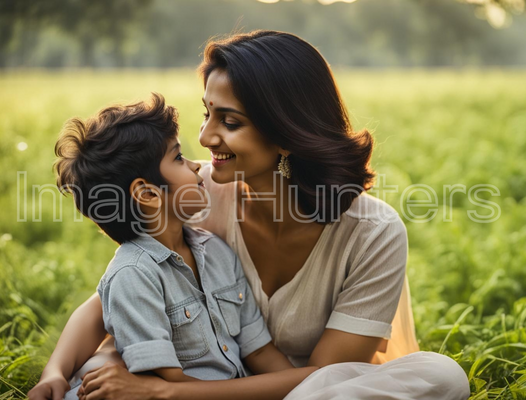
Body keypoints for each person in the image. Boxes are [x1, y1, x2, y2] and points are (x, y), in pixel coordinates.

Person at [30, 31, 471, 400]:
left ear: (286, 133)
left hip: (300, 391)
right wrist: (54, 371)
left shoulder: (373, 233)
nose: (204, 137)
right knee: (99, 366)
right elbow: (108, 300)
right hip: (207, 379)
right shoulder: (194, 194)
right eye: (207, 115)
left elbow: (326, 376)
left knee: (441, 375)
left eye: (230, 121)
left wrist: (167, 394)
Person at [28, 93, 317, 400]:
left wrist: (310, 386)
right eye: (178, 158)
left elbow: (259, 351)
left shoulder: (216, 251)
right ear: (148, 194)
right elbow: (165, 387)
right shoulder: (133, 275)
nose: (196, 166)